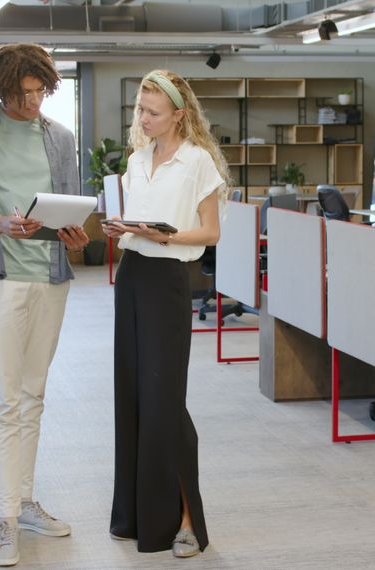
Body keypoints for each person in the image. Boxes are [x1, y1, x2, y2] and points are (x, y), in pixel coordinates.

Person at [0, 43, 90, 568]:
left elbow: (71, 218)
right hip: (1, 279)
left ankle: (25, 503)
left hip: (51, 279)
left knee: (34, 395)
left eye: (40, 92)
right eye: (22, 94)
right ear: (1, 89)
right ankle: (5, 519)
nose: (32, 103)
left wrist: (76, 238)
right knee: (5, 400)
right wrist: (0, 224)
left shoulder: (61, 138)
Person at [102, 69, 228, 559]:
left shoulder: (198, 162)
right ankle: (137, 515)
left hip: (168, 284)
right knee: (133, 396)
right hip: (131, 276)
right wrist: (123, 229)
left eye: (153, 112)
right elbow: (135, 220)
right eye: (140, 110)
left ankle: (186, 521)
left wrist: (166, 235)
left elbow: (210, 232)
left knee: (165, 401)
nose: (144, 119)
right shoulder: (137, 159)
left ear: (179, 113)